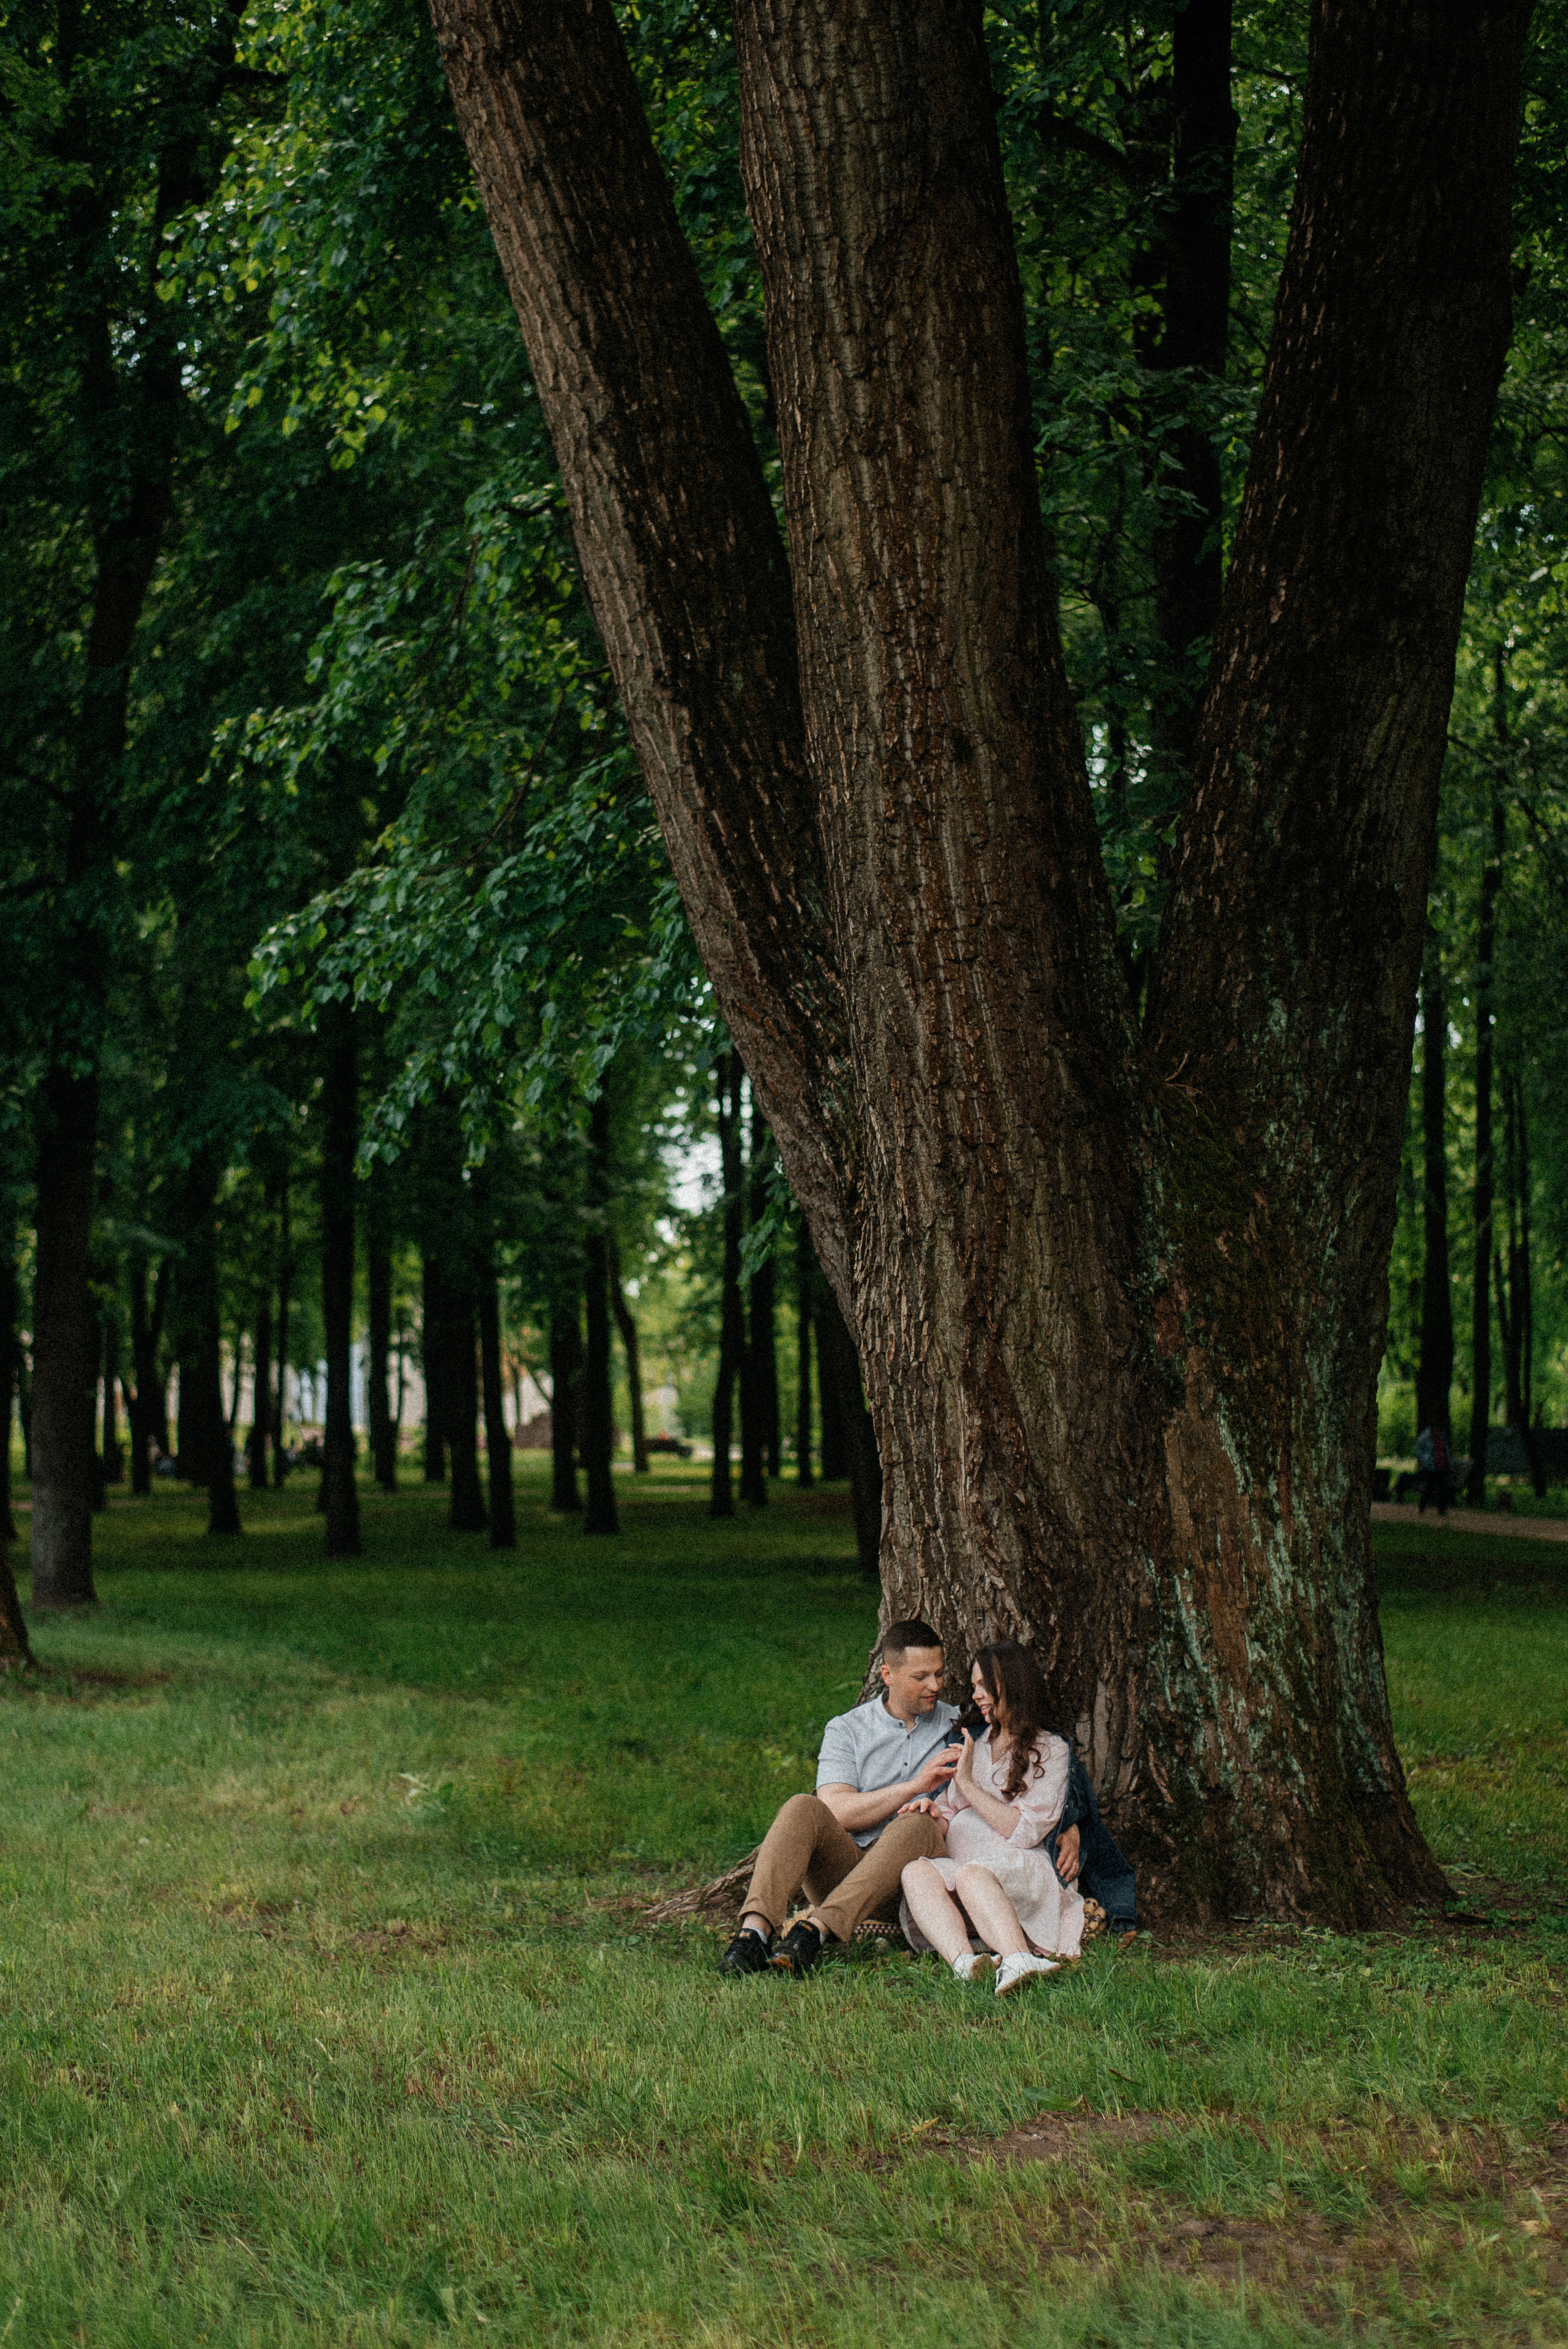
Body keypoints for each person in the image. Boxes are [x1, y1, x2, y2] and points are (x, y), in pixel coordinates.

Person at [718, 1619, 963, 1980]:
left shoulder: (959, 1723)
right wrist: (915, 1786)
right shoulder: (847, 1729)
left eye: (939, 1674)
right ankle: (753, 1935)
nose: (935, 1686)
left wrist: (1071, 1821)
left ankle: (814, 1931)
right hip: (846, 1870)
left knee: (917, 1822)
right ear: (887, 1674)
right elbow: (837, 1811)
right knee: (804, 1805)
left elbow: (1032, 1742)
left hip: (912, 1884)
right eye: (920, 1677)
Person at [899, 1641, 1084, 1996]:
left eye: (984, 1686)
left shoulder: (1051, 1750)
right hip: (968, 1867)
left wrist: (966, 1783)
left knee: (972, 1875)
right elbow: (952, 1811)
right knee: (916, 1871)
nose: (976, 1695)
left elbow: (1027, 1831)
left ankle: (1019, 1958)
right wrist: (932, 1815)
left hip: (1019, 1870)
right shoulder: (979, 1744)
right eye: (974, 1687)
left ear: (1012, 1686)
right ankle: (965, 1964)